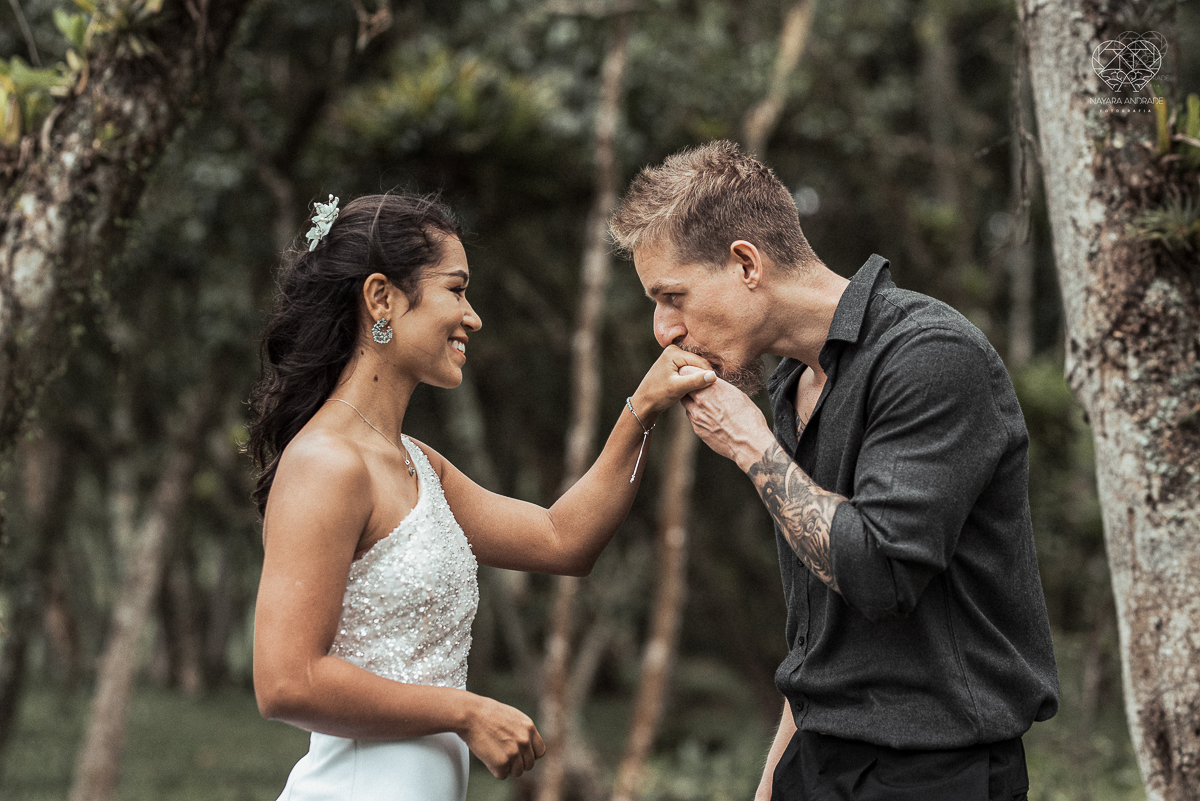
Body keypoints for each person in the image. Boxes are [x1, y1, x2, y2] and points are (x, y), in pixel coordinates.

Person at [609, 141, 1059, 800]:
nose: (663, 329)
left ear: (745, 263)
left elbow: (877, 572)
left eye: (672, 295)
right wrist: (771, 785)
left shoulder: (930, 356)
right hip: (817, 765)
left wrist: (750, 446)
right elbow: (825, 632)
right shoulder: (790, 384)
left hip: (935, 771)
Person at [246, 191, 715, 801]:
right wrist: (462, 711)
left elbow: (563, 540)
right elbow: (286, 681)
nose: (474, 317)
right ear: (381, 298)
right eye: (456, 290)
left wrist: (642, 410)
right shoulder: (326, 464)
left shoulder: (418, 465)